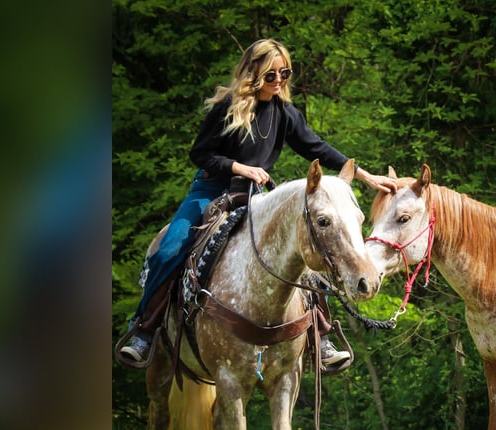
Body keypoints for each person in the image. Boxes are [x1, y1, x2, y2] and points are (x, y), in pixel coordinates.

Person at [119, 38, 397, 368]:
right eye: (271, 75)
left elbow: (317, 149)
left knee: (307, 250)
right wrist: (240, 167)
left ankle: (321, 337)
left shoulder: (285, 112)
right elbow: (200, 153)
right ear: (253, 74)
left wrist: (366, 177)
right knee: (171, 247)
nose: (279, 81)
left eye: (285, 73)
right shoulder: (226, 107)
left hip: (256, 196)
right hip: (211, 189)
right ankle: (144, 329)